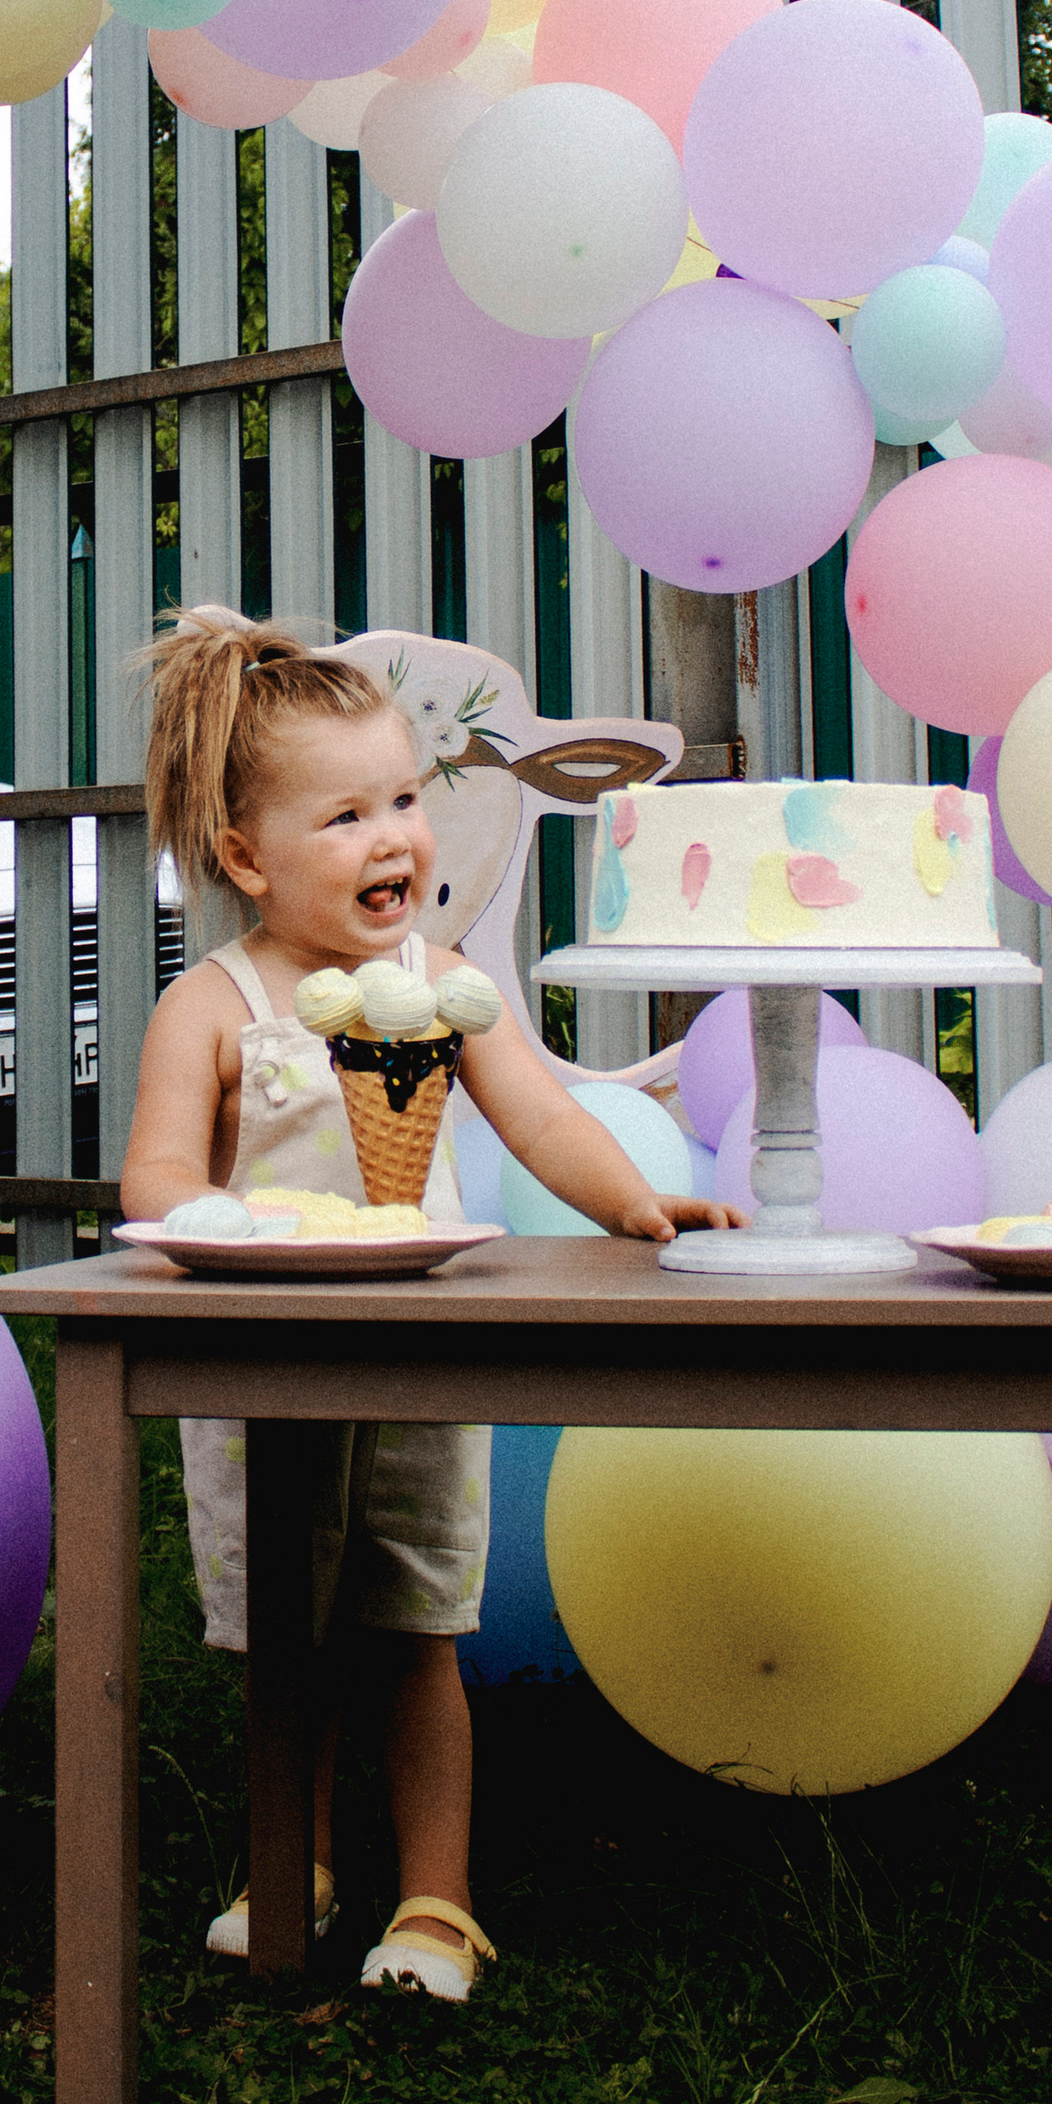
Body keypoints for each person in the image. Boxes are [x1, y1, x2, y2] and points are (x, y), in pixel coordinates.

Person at [120, 612, 738, 2003]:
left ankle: (439, 1900)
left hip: (410, 1357)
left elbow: (541, 1120)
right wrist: (202, 1215)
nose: (393, 835)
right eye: (344, 814)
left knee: (411, 1627)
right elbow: (157, 1167)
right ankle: (294, 1866)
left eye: (405, 799)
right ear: (244, 858)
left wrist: (637, 1208)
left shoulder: (444, 990)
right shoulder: (212, 1008)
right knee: (287, 1639)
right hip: (265, 1362)